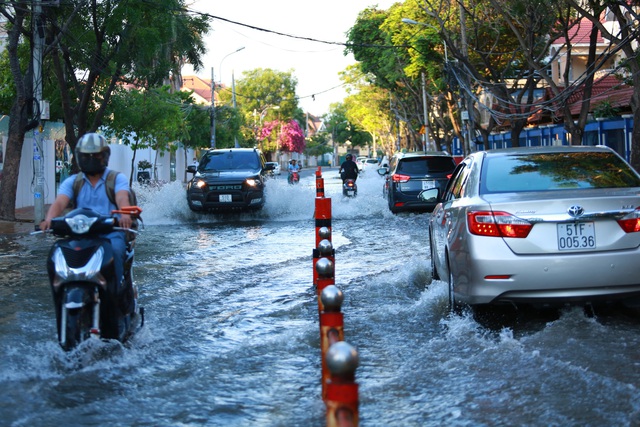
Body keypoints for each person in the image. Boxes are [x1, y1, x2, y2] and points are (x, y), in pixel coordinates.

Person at [39, 133, 133, 291]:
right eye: (86, 156)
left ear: (105, 156)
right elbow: (60, 202)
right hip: (81, 233)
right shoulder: (73, 181)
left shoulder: (117, 179)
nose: (92, 159)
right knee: (57, 253)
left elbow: (122, 198)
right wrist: (49, 219)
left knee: (116, 250)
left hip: (110, 232)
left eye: (96, 155)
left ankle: (114, 293)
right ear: (79, 157)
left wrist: (124, 215)